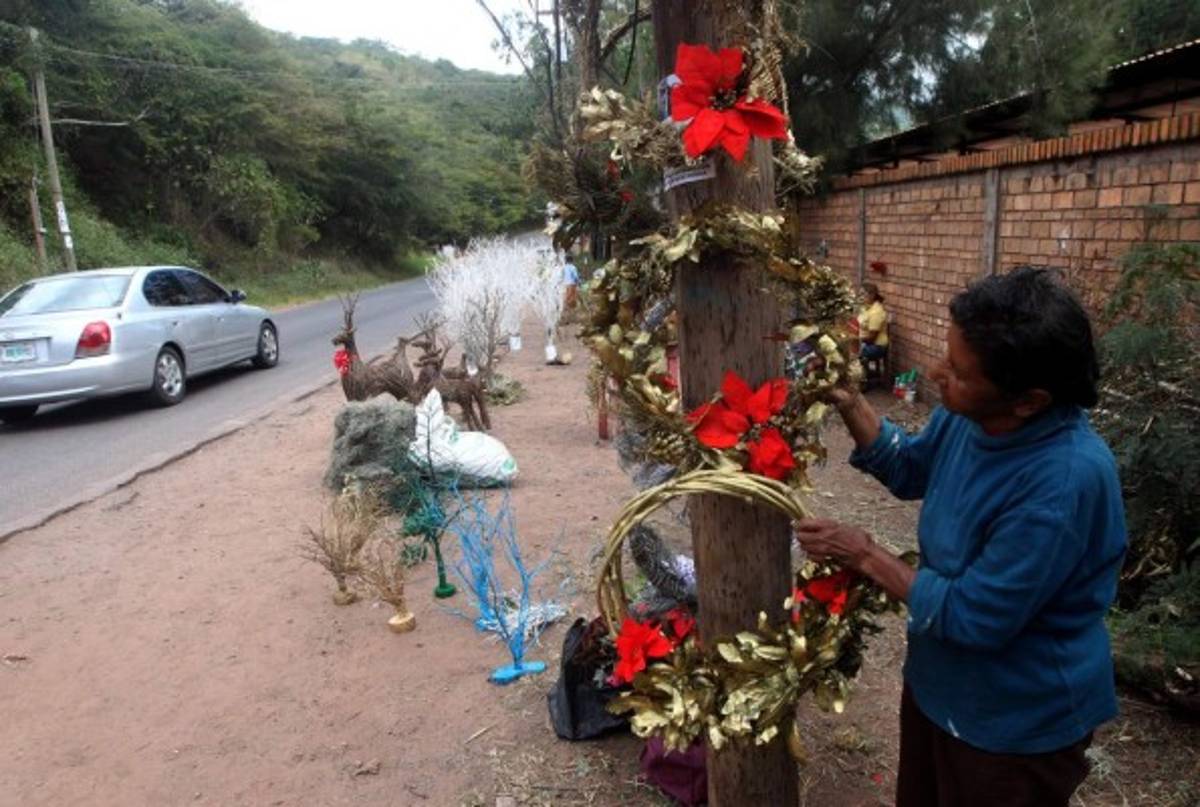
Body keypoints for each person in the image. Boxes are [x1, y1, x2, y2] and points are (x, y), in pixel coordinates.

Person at [795, 267, 1126, 807]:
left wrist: (866, 555)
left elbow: (975, 616)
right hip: (943, 686)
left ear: (1029, 400)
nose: (935, 371)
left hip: (1014, 725)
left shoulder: (1062, 484)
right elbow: (909, 467)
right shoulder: (971, 418)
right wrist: (851, 402)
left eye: (958, 370)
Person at [857, 282, 889, 362]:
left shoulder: (876, 312)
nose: (860, 297)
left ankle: (861, 373)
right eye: (860, 294)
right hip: (865, 343)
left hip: (876, 346)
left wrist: (857, 340)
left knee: (851, 352)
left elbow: (872, 338)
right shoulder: (865, 307)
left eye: (863, 294)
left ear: (872, 295)